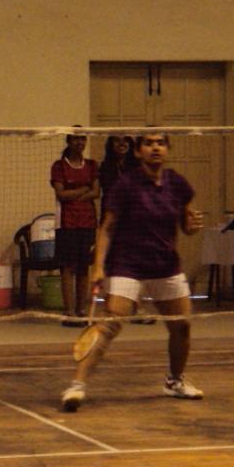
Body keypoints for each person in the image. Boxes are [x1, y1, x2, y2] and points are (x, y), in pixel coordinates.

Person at [61, 132, 205, 412]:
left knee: (182, 326)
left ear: (167, 149)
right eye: (148, 143)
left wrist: (192, 226)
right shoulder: (125, 185)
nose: (155, 147)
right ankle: (77, 386)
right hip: (127, 265)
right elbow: (107, 228)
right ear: (138, 151)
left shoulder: (177, 183)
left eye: (160, 143)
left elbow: (186, 224)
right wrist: (98, 267)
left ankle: (175, 381)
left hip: (165, 265)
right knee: (109, 325)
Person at [100, 135, 155, 325]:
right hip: (113, 220)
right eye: (117, 140)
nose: (121, 144)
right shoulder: (105, 168)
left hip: (134, 220)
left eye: (125, 140)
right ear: (111, 145)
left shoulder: (137, 168)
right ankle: (111, 306)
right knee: (112, 265)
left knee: (137, 264)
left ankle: (138, 307)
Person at [50, 130, 100, 327]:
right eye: (76, 139)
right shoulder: (59, 166)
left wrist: (76, 194)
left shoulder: (92, 165)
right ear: (69, 141)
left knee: (83, 267)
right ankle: (69, 311)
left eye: (82, 138)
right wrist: (83, 190)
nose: (80, 142)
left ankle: (81, 310)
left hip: (87, 223)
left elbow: (96, 192)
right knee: (67, 267)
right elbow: (61, 194)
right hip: (67, 224)